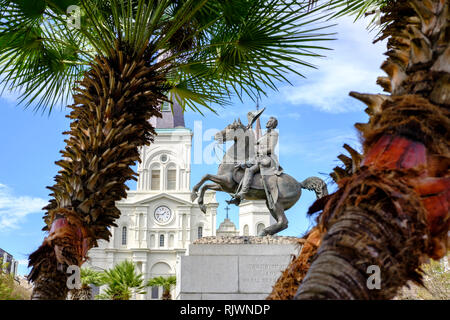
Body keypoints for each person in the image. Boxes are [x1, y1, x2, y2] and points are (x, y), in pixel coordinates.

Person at [231, 116, 282, 205]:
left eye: (270, 122)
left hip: (267, 159)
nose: (267, 122)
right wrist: (249, 130)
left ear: (273, 124)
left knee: (249, 170)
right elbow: (254, 143)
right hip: (259, 158)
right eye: (268, 121)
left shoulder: (274, 134)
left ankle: (243, 193)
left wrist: (259, 151)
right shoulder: (265, 135)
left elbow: (271, 149)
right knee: (243, 166)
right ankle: (238, 195)